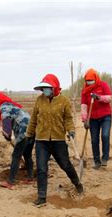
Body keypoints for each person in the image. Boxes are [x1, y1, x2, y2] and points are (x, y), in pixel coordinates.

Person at [26, 74, 83, 207]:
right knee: (41, 169)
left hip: (58, 140)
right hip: (41, 140)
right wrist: (29, 135)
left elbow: (68, 119)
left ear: (54, 88)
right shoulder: (39, 101)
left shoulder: (64, 101)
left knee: (65, 165)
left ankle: (77, 183)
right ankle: (41, 197)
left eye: (48, 88)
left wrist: (71, 131)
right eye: (43, 89)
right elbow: (34, 118)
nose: (45, 91)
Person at [0, 92, 34, 189]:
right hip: (32, 129)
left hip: (23, 131)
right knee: (27, 154)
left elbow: (6, 119)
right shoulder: (13, 106)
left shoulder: (4, 106)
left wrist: (7, 134)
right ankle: (30, 178)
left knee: (16, 156)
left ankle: (10, 182)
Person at [80, 68, 112, 170]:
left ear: (95, 78)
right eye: (87, 81)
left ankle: (105, 159)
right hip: (93, 118)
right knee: (94, 140)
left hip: (105, 116)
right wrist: (85, 120)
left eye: (91, 80)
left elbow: (109, 98)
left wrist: (99, 97)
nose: (89, 82)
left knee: (105, 135)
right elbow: (84, 105)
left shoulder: (103, 85)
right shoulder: (85, 91)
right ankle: (97, 162)